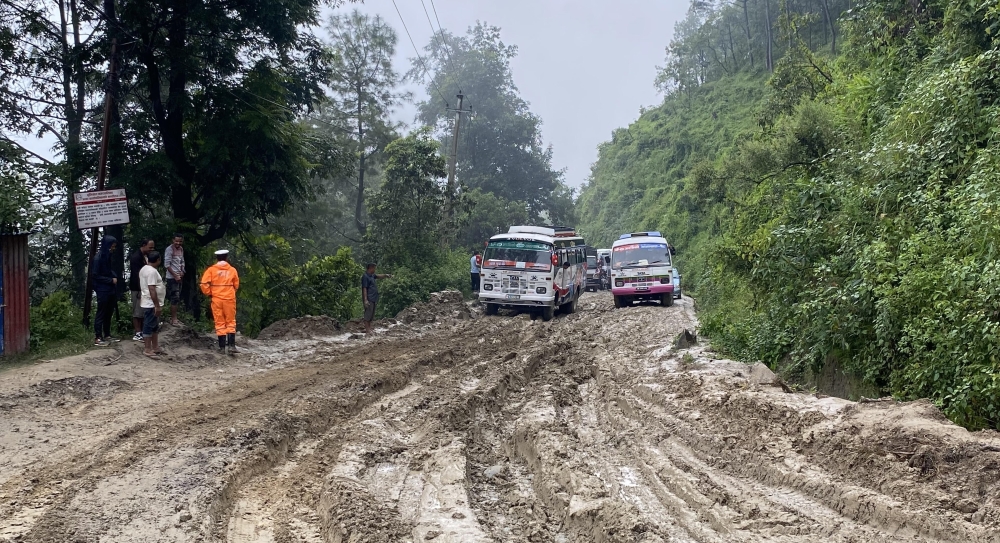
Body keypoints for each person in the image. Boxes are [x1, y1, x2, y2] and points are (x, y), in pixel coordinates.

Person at [200, 249, 240, 354]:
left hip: (216, 299)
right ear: (226, 258)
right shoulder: (232, 270)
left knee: (219, 322)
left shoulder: (211, 270)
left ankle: (222, 348)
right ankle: (231, 346)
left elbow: (204, 284)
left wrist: (209, 293)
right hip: (229, 299)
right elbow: (236, 285)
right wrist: (230, 292)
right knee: (230, 321)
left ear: (217, 258)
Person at [92, 235, 120, 346]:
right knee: (101, 312)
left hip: (110, 289)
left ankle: (107, 334)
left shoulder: (107, 256)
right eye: (112, 246)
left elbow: (108, 270)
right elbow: (95, 275)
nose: (113, 248)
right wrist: (110, 280)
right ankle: (98, 337)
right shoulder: (97, 258)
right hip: (102, 289)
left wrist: (113, 275)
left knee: (109, 312)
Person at [139, 250, 166, 358]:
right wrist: (157, 305)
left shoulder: (145, 269)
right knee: (148, 325)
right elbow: (152, 288)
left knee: (154, 325)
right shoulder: (151, 272)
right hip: (151, 303)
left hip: (151, 302)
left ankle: (155, 347)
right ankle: (147, 348)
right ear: (158, 260)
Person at [129, 239, 154, 341]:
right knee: (137, 311)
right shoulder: (136, 258)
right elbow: (137, 275)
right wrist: (141, 289)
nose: (151, 250)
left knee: (143, 310)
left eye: (153, 248)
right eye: (150, 247)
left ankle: (143, 330)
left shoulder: (146, 256)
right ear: (144, 245)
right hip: (137, 288)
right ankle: (137, 332)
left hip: (144, 287)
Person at [361, 263, 392, 335]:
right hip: (369, 298)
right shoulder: (365, 276)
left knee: (371, 315)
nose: (375, 270)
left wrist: (385, 275)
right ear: (371, 268)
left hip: (374, 298)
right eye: (374, 268)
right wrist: (365, 300)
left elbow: (378, 276)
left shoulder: (372, 275)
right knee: (368, 314)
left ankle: (369, 328)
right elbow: (364, 288)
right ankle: (367, 330)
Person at [163, 234, 185, 326]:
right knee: (174, 298)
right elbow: (167, 265)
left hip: (179, 276)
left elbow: (182, 261)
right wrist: (175, 275)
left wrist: (182, 271)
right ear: (173, 240)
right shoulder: (169, 249)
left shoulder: (181, 249)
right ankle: (173, 319)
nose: (178, 243)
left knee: (178, 297)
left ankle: (175, 317)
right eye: (176, 241)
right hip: (172, 277)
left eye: (180, 241)